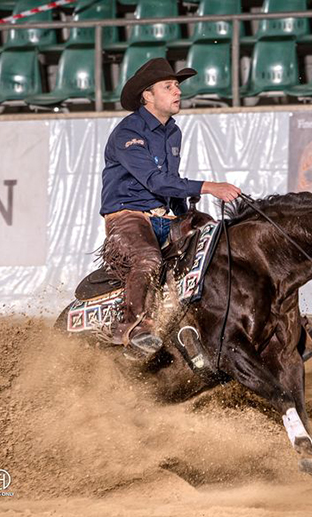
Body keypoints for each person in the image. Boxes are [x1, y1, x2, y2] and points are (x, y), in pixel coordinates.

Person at [100, 58, 241, 356]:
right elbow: (155, 181)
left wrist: (187, 211)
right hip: (128, 216)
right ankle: (132, 329)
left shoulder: (172, 131)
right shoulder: (128, 133)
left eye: (177, 86)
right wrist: (207, 186)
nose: (177, 91)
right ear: (147, 96)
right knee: (148, 260)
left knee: (219, 238)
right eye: (168, 86)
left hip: (165, 216)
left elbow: (169, 182)